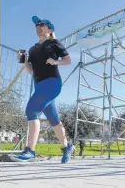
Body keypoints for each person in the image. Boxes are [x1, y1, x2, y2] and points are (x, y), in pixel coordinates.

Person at [14, 16, 74, 163]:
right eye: (37, 26)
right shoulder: (32, 49)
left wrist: (55, 61)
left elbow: (68, 60)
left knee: (31, 111)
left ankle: (30, 151)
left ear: (50, 29)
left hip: (52, 83)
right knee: (54, 120)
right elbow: (31, 71)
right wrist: (24, 60)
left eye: (42, 25)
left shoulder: (54, 43)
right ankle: (67, 147)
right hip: (39, 84)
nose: (38, 27)